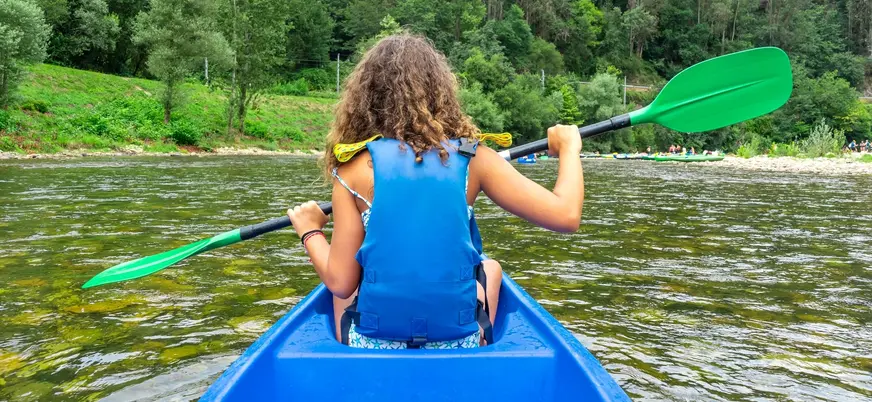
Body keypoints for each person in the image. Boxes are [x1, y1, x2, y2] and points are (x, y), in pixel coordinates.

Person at [286, 35, 584, 350]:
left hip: (374, 344)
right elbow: (566, 214)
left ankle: (348, 355)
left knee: (339, 288)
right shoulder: (474, 158)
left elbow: (341, 282)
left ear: (364, 99)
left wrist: (310, 231)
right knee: (491, 268)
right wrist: (569, 148)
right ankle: (480, 346)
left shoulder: (351, 168)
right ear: (440, 92)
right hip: (459, 342)